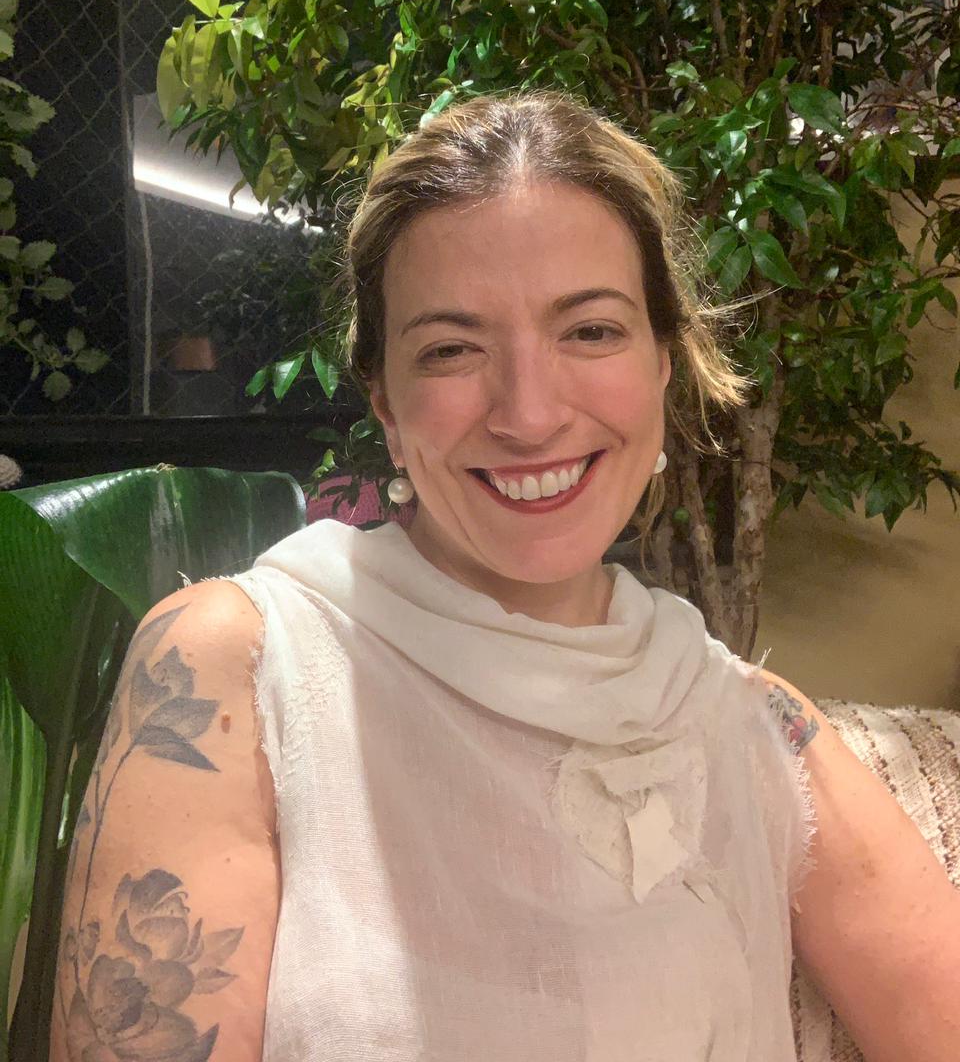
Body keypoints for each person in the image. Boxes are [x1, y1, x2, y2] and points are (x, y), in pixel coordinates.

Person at [50, 90, 960, 1062]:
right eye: (452, 349)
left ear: (664, 359)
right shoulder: (238, 664)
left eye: (591, 331)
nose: (529, 414)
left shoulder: (752, 728)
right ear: (384, 398)